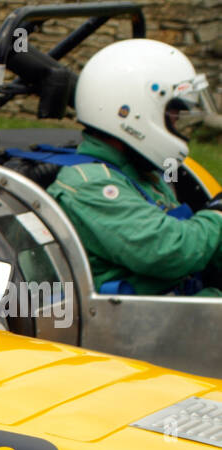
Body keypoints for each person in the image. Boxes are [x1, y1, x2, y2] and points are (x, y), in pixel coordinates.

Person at [43, 38, 222, 296]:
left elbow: (194, 241)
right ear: (132, 112)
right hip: (137, 326)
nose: (178, 121)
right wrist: (217, 215)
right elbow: (170, 251)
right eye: (173, 112)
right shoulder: (89, 184)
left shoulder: (142, 174)